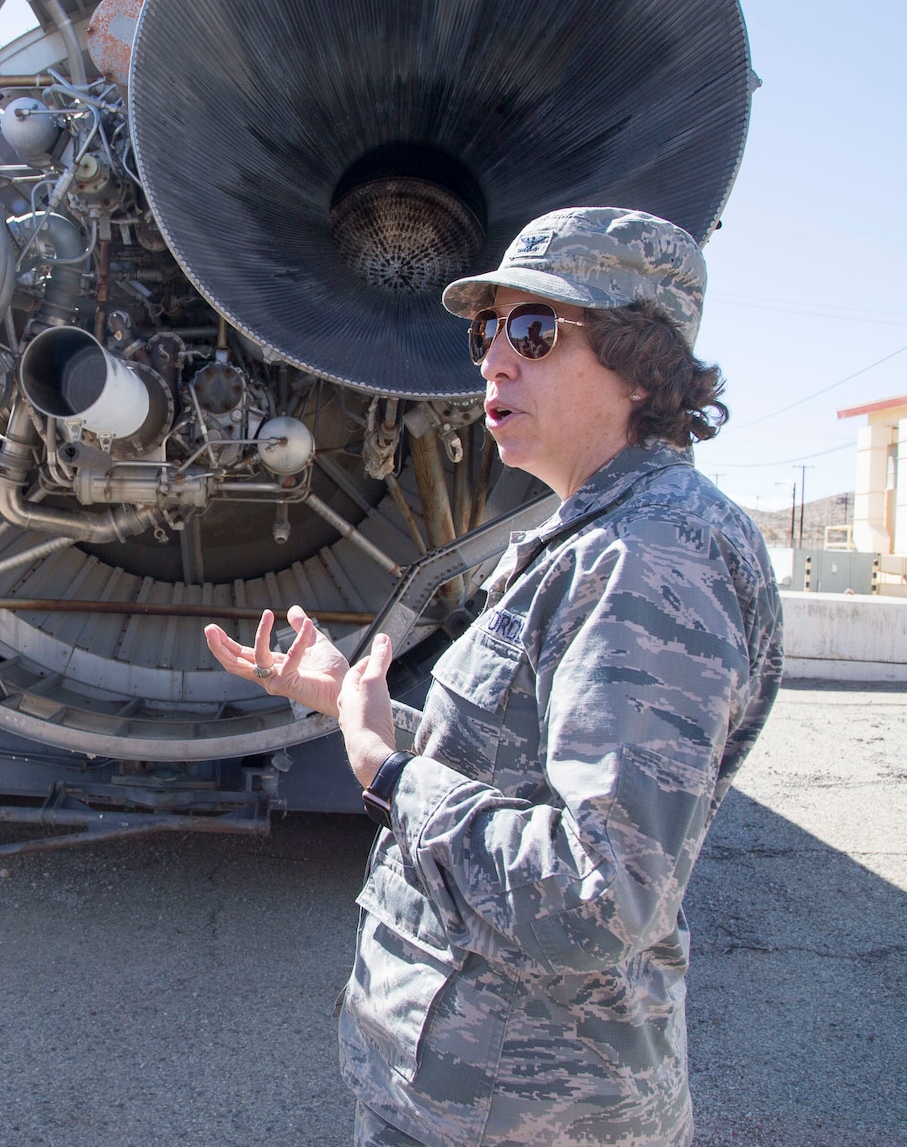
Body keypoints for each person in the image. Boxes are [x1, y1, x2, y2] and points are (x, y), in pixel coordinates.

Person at [206, 207, 782, 1146]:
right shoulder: (590, 536)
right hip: (463, 1096)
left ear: (644, 363)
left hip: (523, 1113)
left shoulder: (652, 557)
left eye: (535, 331)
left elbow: (602, 894)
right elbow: (515, 769)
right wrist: (358, 706)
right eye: (486, 330)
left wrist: (386, 774)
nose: (492, 361)